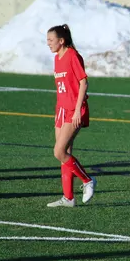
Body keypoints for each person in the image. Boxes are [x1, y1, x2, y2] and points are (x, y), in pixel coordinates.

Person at [46, 24, 96, 208]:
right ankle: (68, 198)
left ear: (61, 40)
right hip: (61, 110)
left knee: (58, 151)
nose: (48, 44)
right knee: (64, 154)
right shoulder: (57, 58)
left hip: (73, 110)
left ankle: (87, 180)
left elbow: (83, 83)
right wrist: (58, 111)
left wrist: (77, 110)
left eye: (51, 40)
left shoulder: (73, 56)